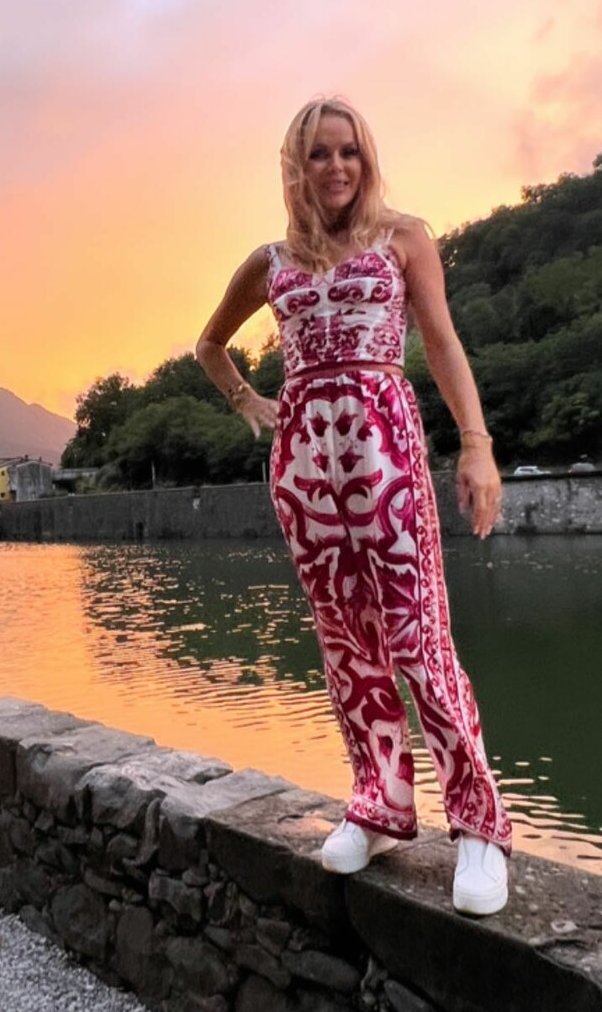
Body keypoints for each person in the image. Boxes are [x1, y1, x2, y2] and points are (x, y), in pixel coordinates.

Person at [194, 95, 512, 917]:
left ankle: (478, 824)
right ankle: (380, 804)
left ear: (365, 160)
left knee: (417, 634)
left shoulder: (403, 238)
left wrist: (476, 444)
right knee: (345, 640)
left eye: (349, 152)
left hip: (386, 452)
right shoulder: (270, 262)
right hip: (305, 465)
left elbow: (440, 341)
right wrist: (247, 402)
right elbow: (209, 343)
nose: (335, 167)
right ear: (295, 168)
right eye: (319, 154)